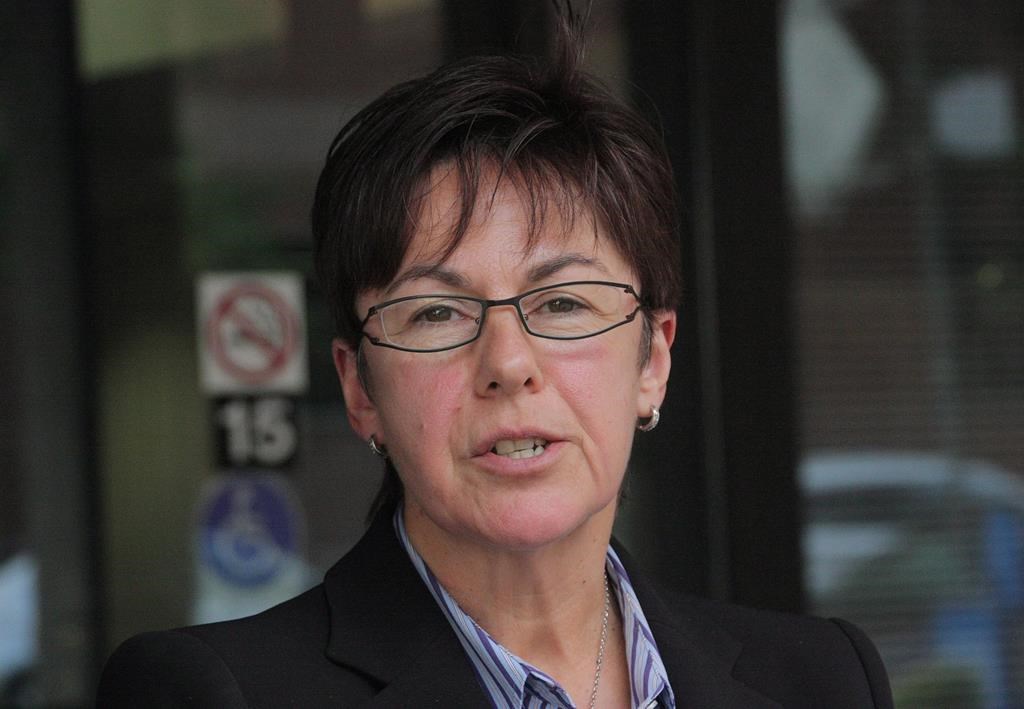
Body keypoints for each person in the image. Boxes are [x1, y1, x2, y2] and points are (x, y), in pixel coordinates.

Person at [97, 7, 893, 709]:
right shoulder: (216, 691)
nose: (509, 363)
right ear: (359, 386)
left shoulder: (821, 679)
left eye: (563, 303)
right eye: (438, 311)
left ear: (653, 358)